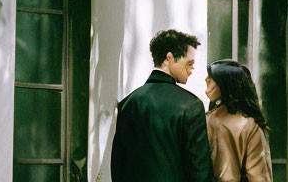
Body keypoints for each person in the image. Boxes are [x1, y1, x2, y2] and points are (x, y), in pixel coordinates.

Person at [111, 29, 213, 182]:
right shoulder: (191, 105)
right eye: (189, 63)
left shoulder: (128, 103)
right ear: (169, 58)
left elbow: (118, 165)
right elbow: (199, 171)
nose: (192, 70)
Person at [204, 60, 273, 182]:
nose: (206, 79)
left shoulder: (204, 120)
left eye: (212, 77)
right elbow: (259, 175)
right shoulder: (249, 125)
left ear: (225, 83)